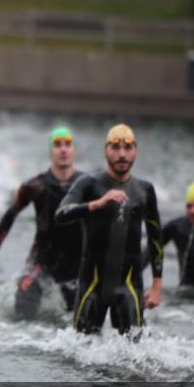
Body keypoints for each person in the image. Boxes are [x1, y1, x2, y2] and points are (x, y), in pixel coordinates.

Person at [55, 124, 162, 337]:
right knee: (80, 355)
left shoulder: (145, 190)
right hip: (91, 285)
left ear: (135, 151)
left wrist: (157, 285)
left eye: (128, 147)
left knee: (135, 358)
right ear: (105, 151)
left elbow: (155, 238)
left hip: (129, 286)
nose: (122, 154)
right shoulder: (88, 183)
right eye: (115, 147)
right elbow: (61, 214)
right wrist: (97, 204)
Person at [0, 126, 85, 319]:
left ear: (73, 150)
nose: (63, 149)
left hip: (75, 267)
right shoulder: (36, 185)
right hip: (41, 262)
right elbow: (9, 216)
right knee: (21, 312)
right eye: (57, 144)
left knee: (78, 323)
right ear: (50, 151)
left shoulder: (87, 185)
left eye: (67, 144)